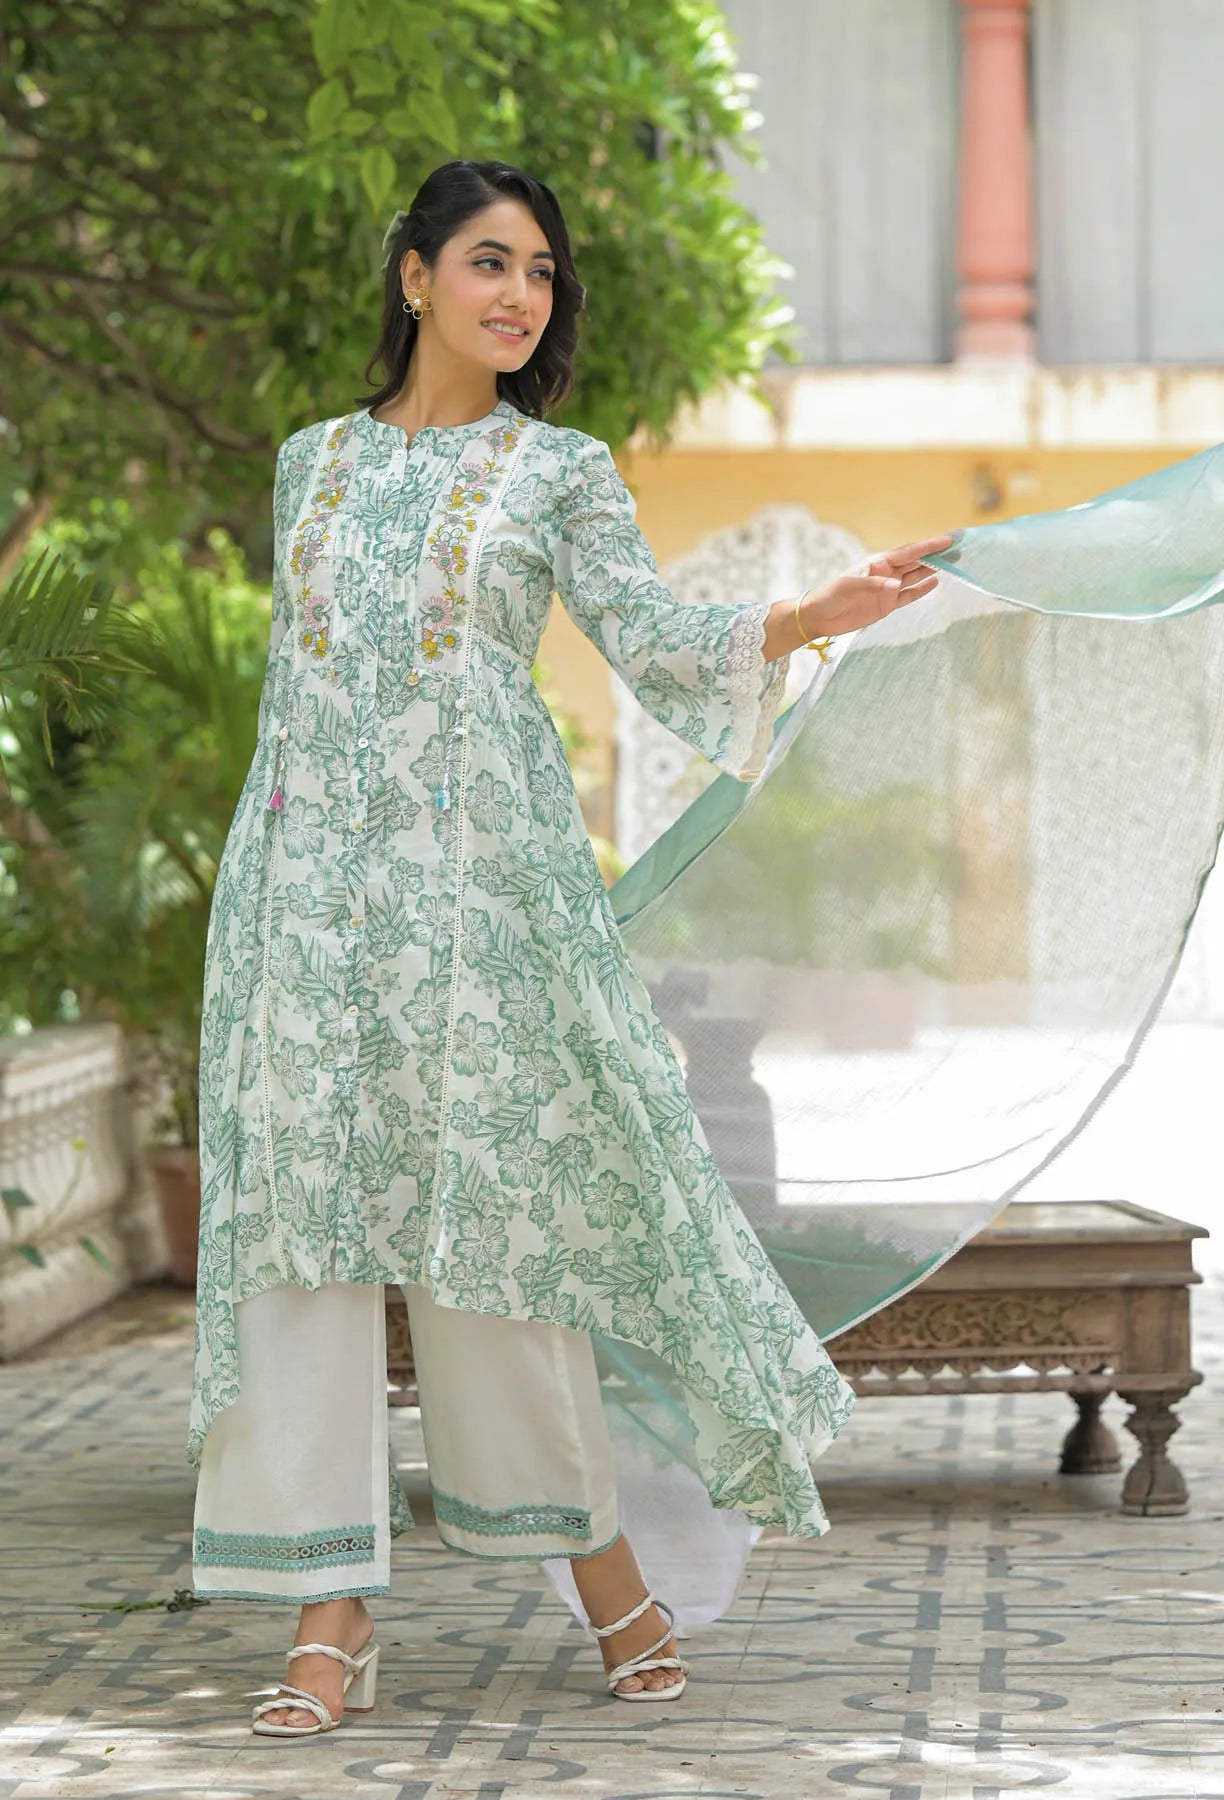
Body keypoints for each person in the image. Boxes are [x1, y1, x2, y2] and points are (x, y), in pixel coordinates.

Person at [189, 157, 951, 1737]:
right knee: (303, 1245)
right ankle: (329, 1612)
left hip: (486, 912)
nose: (518, 295)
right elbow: (299, 701)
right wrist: (265, 894)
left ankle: (608, 1571)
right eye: (486, 262)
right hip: (309, 907)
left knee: (499, 1239)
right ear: (413, 280)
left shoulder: (560, 474)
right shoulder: (309, 465)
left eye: (539, 271)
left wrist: (807, 617)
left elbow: (662, 647)